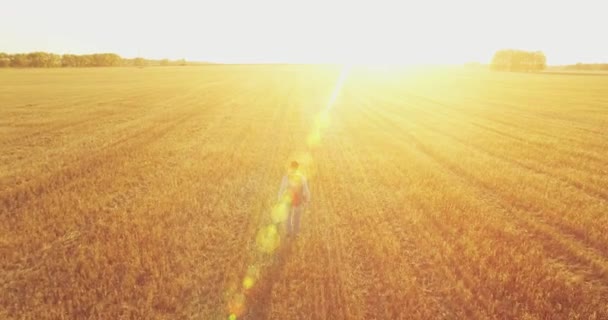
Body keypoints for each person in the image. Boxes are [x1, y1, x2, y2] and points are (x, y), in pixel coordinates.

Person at [277, 161, 311, 237]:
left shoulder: (286, 177)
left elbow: (282, 189)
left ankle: (289, 232)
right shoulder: (302, 177)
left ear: (291, 167)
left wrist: (279, 199)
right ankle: (296, 233)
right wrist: (308, 198)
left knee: (288, 216)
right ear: (298, 168)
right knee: (297, 217)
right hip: (298, 199)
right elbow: (306, 189)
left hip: (288, 199)